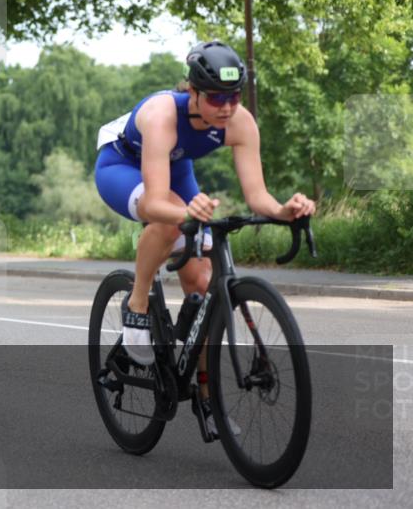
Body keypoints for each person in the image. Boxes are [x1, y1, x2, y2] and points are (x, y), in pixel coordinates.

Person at [93, 40, 315, 434]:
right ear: (192, 92)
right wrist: (186, 214)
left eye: (233, 96)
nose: (226, 107)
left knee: (201, 283)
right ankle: (138, 301)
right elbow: (157, 202)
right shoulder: (163, 115)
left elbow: (257, 195)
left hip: (175, 167)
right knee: (169, 221)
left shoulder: (239, 121)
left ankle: (206, 396)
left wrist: (284, 210)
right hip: (121, 164)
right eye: (215, 98)